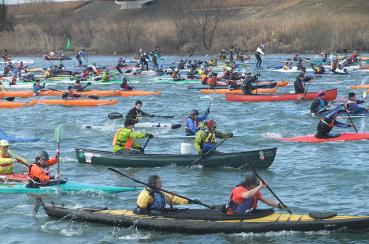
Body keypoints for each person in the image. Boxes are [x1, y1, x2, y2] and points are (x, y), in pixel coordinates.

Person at [135, 175, 200, 214]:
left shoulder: (161, 193)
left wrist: (190, 201)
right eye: (159, 183)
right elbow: (140, 210)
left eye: (161, 183)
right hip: (149, 215)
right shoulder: (145, 195)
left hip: (160, 213)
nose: (161, 185)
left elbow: (174, 199)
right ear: (153, 184)